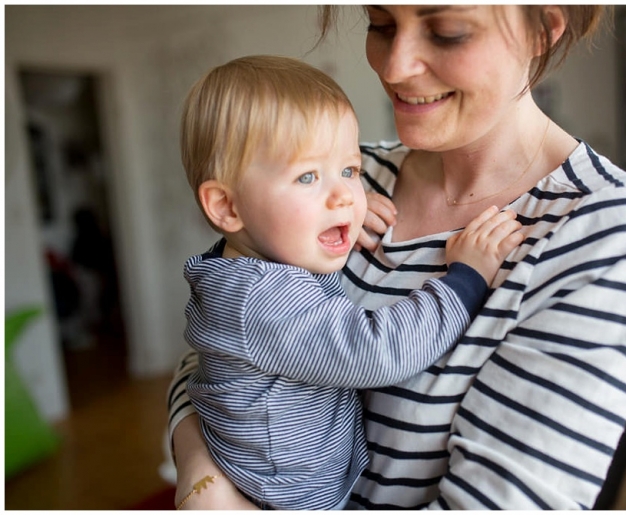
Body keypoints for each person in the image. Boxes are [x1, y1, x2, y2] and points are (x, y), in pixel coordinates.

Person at [168, 6, 626, 510]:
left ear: (542, 30)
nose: (394, 68)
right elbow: (216, 357)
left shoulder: (602, 224)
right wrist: (200, 479)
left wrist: (208, 488)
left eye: (446, 32)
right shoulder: (345, 184)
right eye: (380, 24)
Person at [176, 55, 523, 510]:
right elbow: (378, 351)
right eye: (307, 177)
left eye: (350, 171)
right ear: (226, 207)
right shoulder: (260, 298)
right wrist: (466, 278)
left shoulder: (248, 266)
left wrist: (336, 222)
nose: (344, 196)